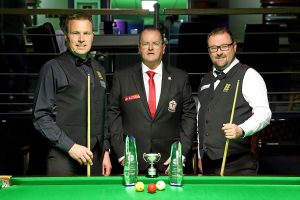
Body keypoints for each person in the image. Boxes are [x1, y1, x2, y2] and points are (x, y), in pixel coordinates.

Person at [108, 27, 197, 174]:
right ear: (139, 48)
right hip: (132, 163)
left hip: (170, 163)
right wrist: (122, 153)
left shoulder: (180, 78)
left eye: (155, 43)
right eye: (145, 44)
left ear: (163, 48)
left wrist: (180, 155)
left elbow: (189, 117)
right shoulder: (122, 77)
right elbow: (113, 115)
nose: (150, 48)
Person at [33, 13, 111, 176]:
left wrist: (105, 151)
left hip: (94, 158)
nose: (81, 39)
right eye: (76, 33)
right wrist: (70, 146)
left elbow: (103, 114)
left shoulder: (99, 69)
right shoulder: (52, 68)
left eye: (86, 33)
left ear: (92, 36)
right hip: (64, 157)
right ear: (67, 37)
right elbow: (41, 117)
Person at [197, 27, 272, 175]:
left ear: (234, 47)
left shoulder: (248, 75)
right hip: (208, 165)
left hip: (238, 165)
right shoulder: (205, 79)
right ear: (209, 51)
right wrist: (200, 155)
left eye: (224, 46)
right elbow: (202, 119)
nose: (219, 52)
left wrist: (242, 129)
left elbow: (264, 113)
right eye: (213, 48)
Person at [0, 0, 32, 112]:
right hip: (14, 37)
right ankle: (16, 100)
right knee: (20, 71)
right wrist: (29, 22)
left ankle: (5, 101)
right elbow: (27, 19)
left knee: (4, 72)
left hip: (4, 38)